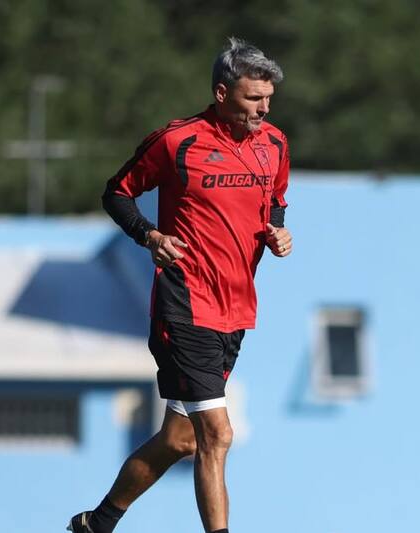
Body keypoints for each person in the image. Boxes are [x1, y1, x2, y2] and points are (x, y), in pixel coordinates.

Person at [67, 37, 292, 533]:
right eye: (254, 98)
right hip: (184, 306)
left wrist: (277, 230)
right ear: (221, 92)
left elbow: (276, 200)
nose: (264, 108)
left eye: (268, 99)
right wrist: (150, 235)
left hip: (236, 310)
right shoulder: (177, 141)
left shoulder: (273, 143)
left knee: (180, 440)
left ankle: (97, 523)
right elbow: (117, 194)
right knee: (218, 433)